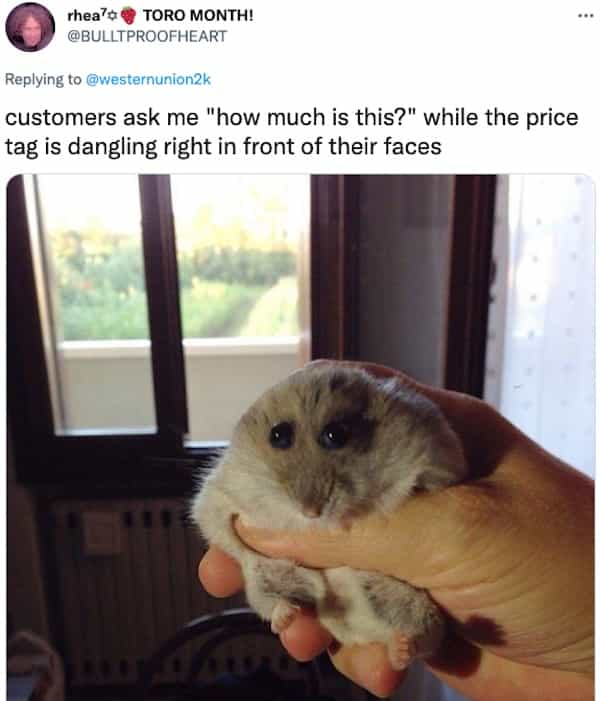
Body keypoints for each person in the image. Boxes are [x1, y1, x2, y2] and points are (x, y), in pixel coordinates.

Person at [198, 361, 594, 700]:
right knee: (265, 582)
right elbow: (211, 512)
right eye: (281, 438)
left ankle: (413, 636)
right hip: (318, 599)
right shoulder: (244, 463)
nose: (310, 506)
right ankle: (288, 607)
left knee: (410, 616)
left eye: (335, 437)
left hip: (393, 591)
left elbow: (445, 468)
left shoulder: (404, 423)